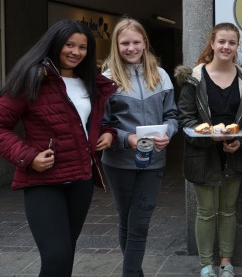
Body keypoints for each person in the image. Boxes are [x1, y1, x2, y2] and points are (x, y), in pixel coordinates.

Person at [0, 20, 117, 277]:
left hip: (80, 179)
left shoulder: (91, 82)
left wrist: (108, 134)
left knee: (66, 253)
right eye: (69, 45)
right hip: (43, 181)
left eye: (83, 47)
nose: (76, 52)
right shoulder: (33, 78)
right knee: (56, 255)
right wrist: (27, 156)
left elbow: (97, 121)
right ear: (55, 44)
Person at [100, 18, 178, 277]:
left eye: (136, 42)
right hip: (118, 161)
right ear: (116, 45)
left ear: (145, 43)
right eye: (125, 43)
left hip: (153, 159)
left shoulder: (161, 75)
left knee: (140, 222)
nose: (131, 48)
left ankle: (131, 273)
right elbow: (101, 124)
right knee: (127, 218)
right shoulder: (107, 79)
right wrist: (126, 139)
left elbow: (172, 115)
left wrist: (169, 132)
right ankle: (134, 272)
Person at [176, 23, 242, 277]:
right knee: (206, 212)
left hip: (234, 153)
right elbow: (185, 119)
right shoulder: (194, 79)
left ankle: (226, 263)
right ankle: (206, 265)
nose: (226, 47)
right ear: (212, 43)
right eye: (221, 41)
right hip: (203, 153)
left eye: (231, 43)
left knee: (228, 210)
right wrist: (210, 136)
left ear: (237, 46)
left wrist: (239, 142)